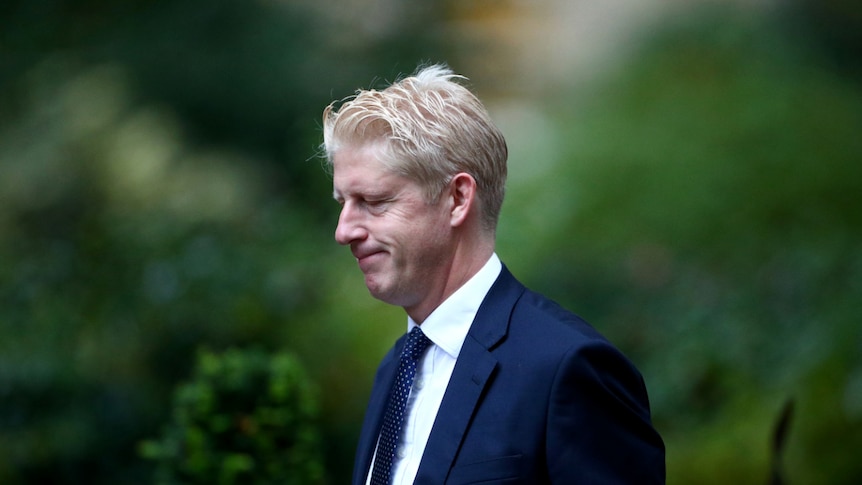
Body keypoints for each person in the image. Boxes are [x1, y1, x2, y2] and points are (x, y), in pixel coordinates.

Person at [321, 63, 665, 484]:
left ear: (458, 198)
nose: (344, 231)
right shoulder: (397, 366)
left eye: (373, 201)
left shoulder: (566, 368)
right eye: (343, 202)